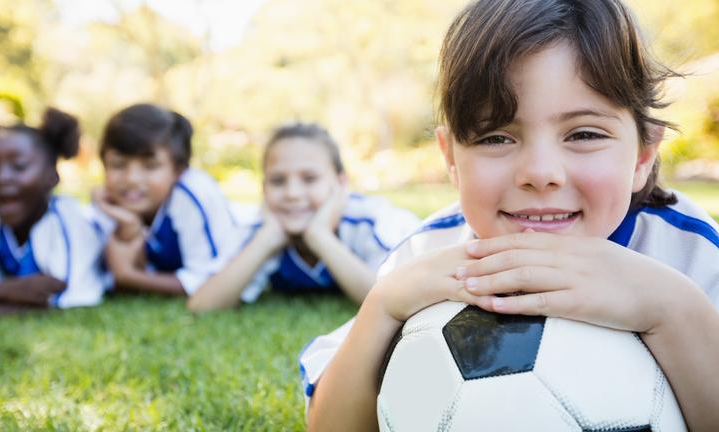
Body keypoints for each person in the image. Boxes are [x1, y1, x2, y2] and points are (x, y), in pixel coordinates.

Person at [301, 1, 719, 430]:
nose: (540, 174)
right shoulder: (430, 254)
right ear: (451, 158)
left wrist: (673, 309)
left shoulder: (693, 254)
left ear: (643, 154)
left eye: (584, 134)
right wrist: (383, 306)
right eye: (496, 137)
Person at [187, 122, 420, 311]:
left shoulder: (368, 221)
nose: (292, 194)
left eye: (309, 179)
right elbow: (202, 305)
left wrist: (320, 237)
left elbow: (394, 300)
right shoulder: (262, 226)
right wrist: (267, 240)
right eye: (278, 181)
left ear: (340, 183)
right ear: (263, 188)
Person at [0, 108, 107, 312]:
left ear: (52, 176)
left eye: (19, 166)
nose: (1, 177)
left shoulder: (71, 221)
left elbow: (60, 299)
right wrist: (9, 291)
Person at [92, 103, 240, 297]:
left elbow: (210, 283)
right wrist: (128, 227)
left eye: (150, 166)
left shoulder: (192, 193)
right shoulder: (109, 203)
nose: (131, 179)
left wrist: (128, 276)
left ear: (178, 169)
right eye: (118, 165)